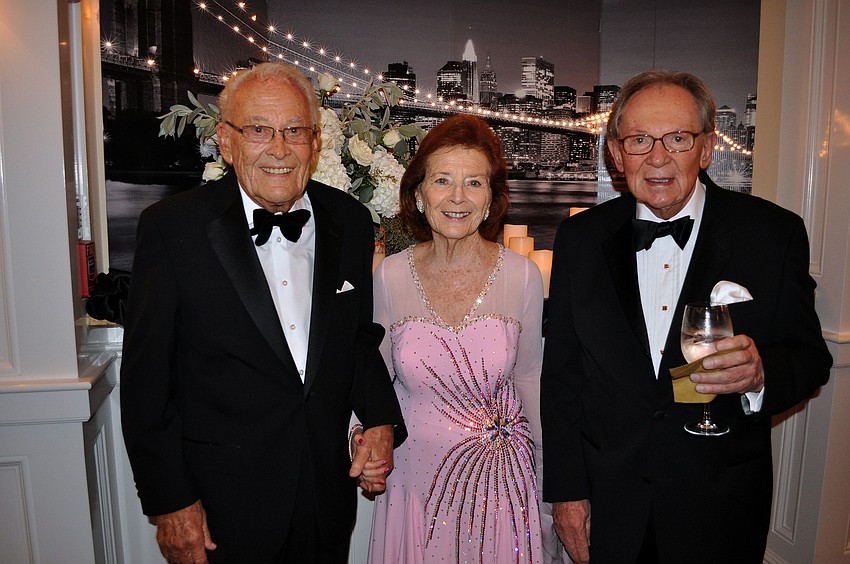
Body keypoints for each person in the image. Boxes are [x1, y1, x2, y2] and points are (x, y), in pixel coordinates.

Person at [541, 70, 832, 564]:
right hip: (611, 502)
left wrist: (760, 375)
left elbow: (810, 359)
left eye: (677, 138)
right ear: (615, 153)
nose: (658, 157)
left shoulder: (772, 233)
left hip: (720, 502)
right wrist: (566, 494)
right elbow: (563, 378)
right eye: (639, 140)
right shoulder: (579, 239)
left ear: (707, 147)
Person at [120, 62, 405, 563]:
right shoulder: (173, 228)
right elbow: (147, 381)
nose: (279, 148)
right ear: (226, 143)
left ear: (315, 143)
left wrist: (380, 419)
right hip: (220, 505)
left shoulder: (351, 222)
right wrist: (170, 504)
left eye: (294, 130)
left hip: (325, 496)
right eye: (258, 130)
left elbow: (357, 338)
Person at [367, 114, 564, 563]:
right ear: (418, 194)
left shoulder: (522, 277)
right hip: (411, 480)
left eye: (474, 183)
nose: (458, 197)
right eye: (442, 180)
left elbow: (531, 378)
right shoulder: (390, 276)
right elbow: (374, 382)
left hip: (502, 485)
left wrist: (553, 478)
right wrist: (362, 440)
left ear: (492, 198)